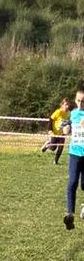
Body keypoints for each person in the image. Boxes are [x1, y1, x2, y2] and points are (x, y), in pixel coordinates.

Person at [63, 85, 84, 230]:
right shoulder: (73, 114)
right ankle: (69, 214)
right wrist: (66, 129)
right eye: (78, 101)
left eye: (83, 101)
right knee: (72, 183)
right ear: (75, 101)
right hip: (74, 153)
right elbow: (66, 127)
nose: (80, 104)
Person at [41, 97, 71, 165]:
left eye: (68, 105)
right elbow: (51, 119)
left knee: (61, 147)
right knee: (53, 148)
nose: (67, 106)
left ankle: (55, 161)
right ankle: (47, 145)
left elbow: (69, 122)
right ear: (62, 105)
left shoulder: (69, 113)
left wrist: (68, 128)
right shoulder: (58, 112)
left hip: (62, 133)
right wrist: (50, 130)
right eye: (66, 104)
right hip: (55, 133)